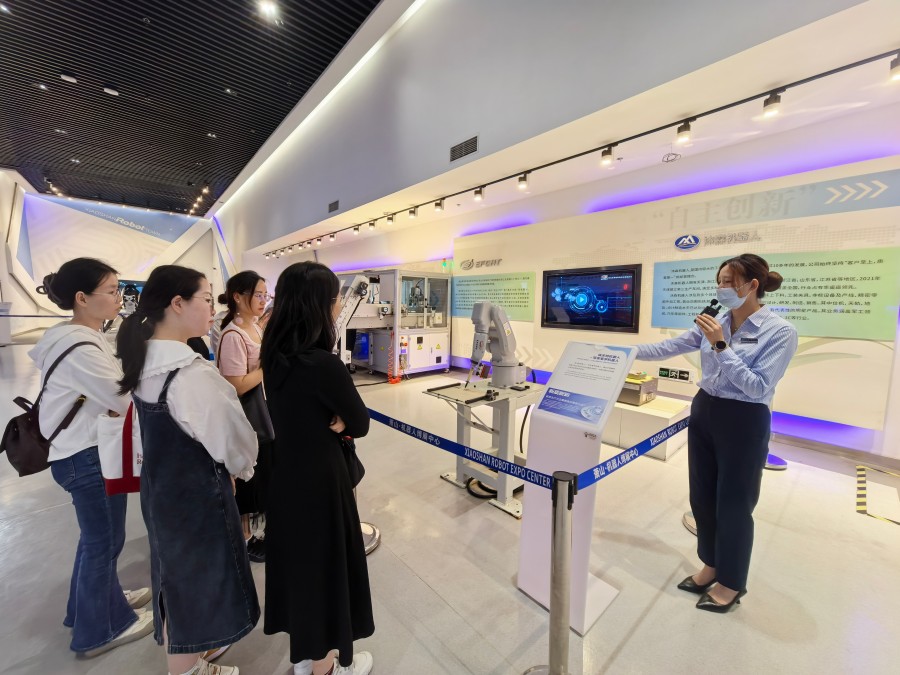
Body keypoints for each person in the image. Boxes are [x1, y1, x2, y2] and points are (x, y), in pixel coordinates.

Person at [116, 265, 260, 675]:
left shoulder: (143, 359)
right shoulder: (191, 373)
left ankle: (191, 659)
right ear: (177, 304)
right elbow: (234, 439)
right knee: (199, 582)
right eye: (206, 299)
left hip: (160, 489)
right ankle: (188, 668)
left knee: (173, 576)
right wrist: (241, 469)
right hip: (197, 495)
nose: (213, 309)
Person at [635, 253, 798, 613]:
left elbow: (757, 386)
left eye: (729, 282)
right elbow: (670, 346)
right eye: (720, 281)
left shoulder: (780, 331)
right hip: (705, 409)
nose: (722, 288)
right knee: (702, 497)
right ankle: (710, 565)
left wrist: (721, 345)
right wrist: (621, 353)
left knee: (735, 504)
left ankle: (731, 582)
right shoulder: (717, 320)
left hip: (744, 419)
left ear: (752, 285)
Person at [30, 258, 154, 656]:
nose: (120, 298)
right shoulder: (80, 347)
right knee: (105, 541)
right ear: (82, 298)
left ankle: (87, 606)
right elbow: (122, 397)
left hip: (79, 451)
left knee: (97, 539)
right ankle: (99, 629)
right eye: (113, 291)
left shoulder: (76, 337)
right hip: (85, 456)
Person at [261, 261, 374, 675]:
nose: (339, 304)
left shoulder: (274, 355)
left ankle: (308, 658)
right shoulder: (323, 364)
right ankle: (324, 666)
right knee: (325, 569)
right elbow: (359, 422)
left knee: (301, 567)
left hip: (286, 473)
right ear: (320, 304)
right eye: (336, 298)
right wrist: (342, 419)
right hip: (322, 480)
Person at [216, 271, 272, 562]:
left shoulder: (255, 328)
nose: (263, 300)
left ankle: (255, 534)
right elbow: (236, 385)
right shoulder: (233, 335)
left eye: (265, 295)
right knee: (247, 479)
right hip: (245, 417)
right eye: (258, 295)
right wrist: (268, 366)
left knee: (259, 477)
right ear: (238, 297)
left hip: (260, 411)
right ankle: (244, 540)